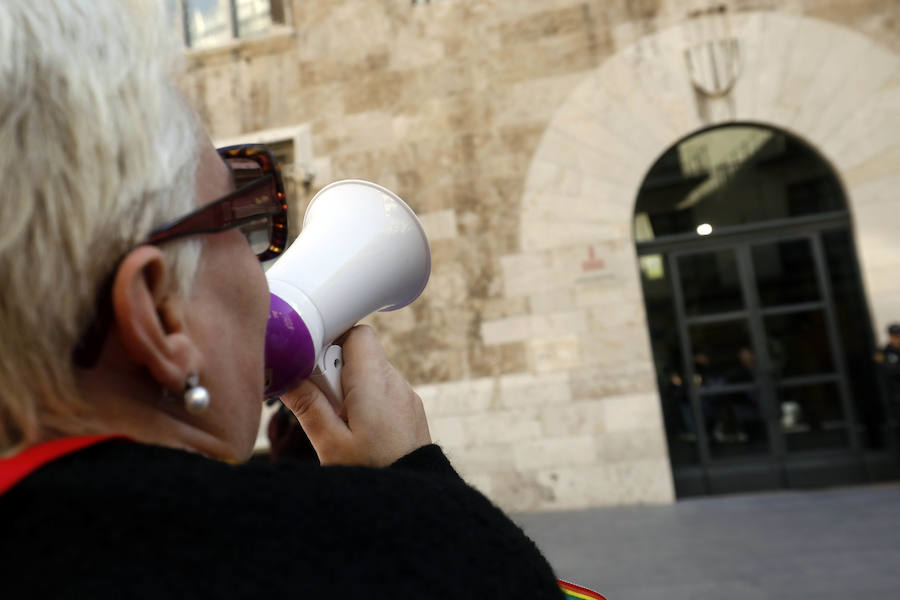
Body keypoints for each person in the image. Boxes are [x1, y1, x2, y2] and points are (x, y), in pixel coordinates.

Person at [0, 2, 565, 598]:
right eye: (243, 221)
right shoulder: (421, 558)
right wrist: (414, 492)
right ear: (159, 310)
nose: (262, 263)